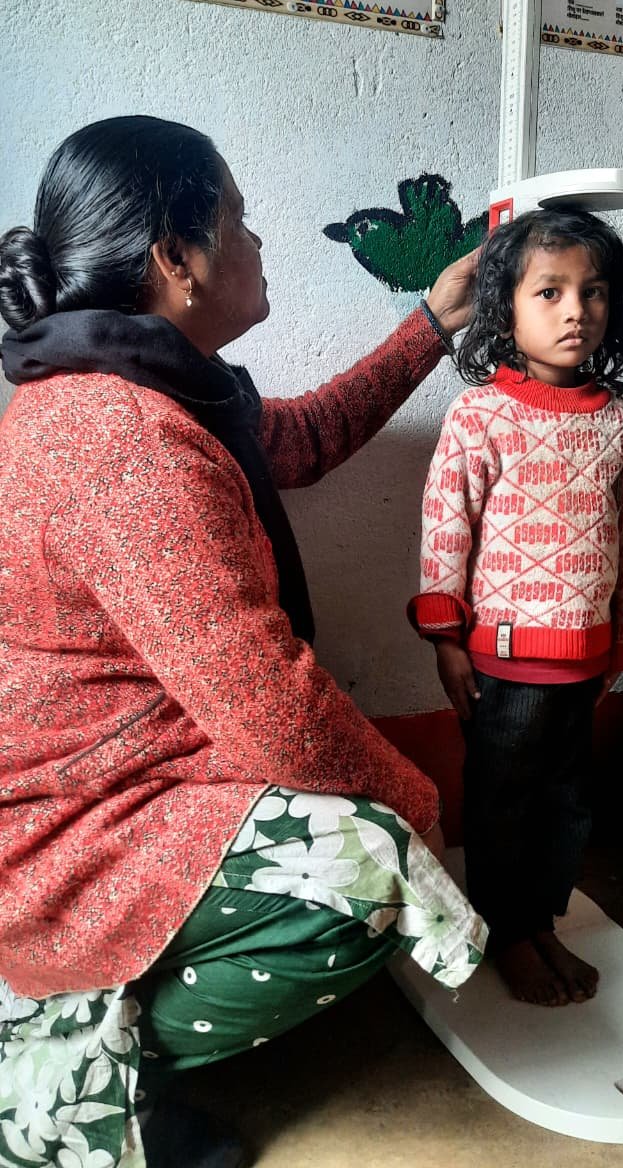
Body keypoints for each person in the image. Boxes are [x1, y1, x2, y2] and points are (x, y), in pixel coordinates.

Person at [0, 116, 487, 1168]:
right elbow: (275, 712)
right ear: (176, 259)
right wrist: (420, 807)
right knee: (370, 869)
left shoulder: (149, 384)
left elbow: (300, 439)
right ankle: (62, 1065)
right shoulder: (122, 438)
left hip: (131, 774)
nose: (258, 241)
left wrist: (434, 321)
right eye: (239, 218)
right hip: (72, 829)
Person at [408, 209, 623, 1007]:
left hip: (586, 658)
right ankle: (506, 931)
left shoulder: (618, 424)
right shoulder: (480, 415)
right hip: (505, 662)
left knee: (567, 800)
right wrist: (447, 642)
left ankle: (539, 920)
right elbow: (445, 527)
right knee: (504, 798)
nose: (575, 310)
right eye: (549, 291)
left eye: (593, 291)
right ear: (504, 308)